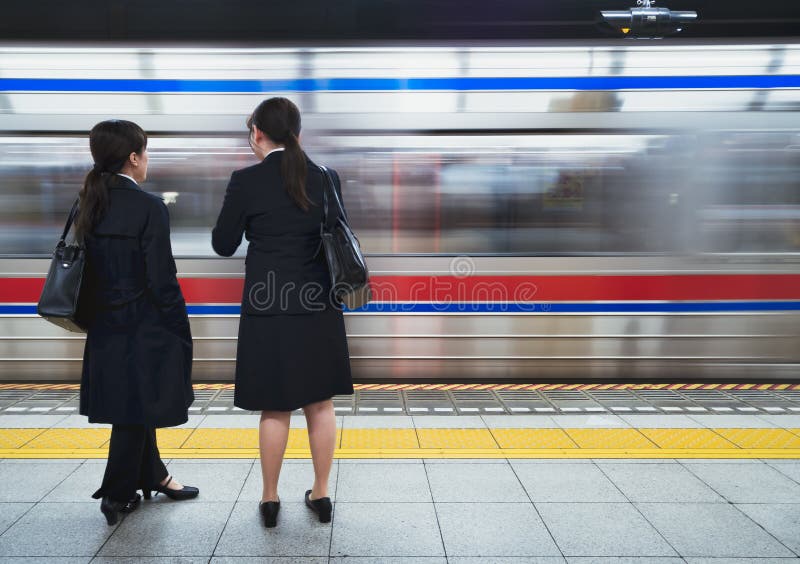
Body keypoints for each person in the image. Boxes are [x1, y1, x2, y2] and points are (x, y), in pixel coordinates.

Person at [212, 97, 354, 528]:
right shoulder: (325, 178)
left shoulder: (245, 180)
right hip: (318, 302)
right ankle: (322, 493)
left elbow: (223, 243)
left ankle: (270, 499)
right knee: (319, 401)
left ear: (256, 132)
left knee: (274, 407)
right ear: (298, 133)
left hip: (266, 302)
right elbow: (340, 233)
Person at [76, 119, 198, 526]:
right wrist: (180, 326)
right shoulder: (148, 207)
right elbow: (162, 278)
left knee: (134, 400)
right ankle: (116, 493)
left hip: (104, 325)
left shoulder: (88, 203)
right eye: (145, 152)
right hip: (143, 324)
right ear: (133, 157)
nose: (147, 160)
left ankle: (155, 474)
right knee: (133, 407)